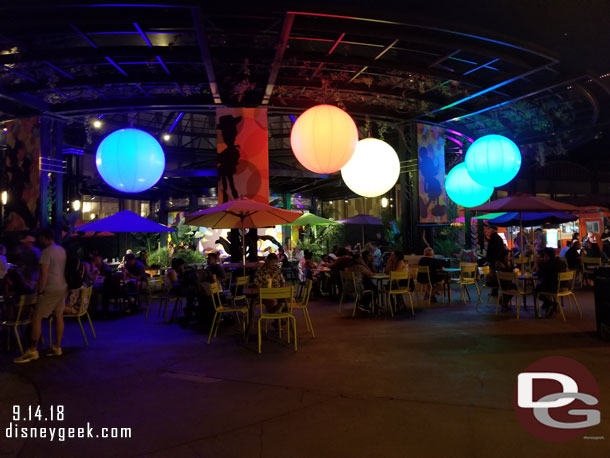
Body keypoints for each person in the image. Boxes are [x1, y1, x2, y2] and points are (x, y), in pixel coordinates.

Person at [15, 228, 67, 363]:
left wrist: (40, 291)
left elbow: (43, 274)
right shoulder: (61, 250)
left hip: (50, 288)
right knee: (58, 315)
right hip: (62, 286)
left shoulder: (46, 252)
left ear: (44, 238)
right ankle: (57, 346)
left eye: (40, 238)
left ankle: (32, 350)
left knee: (37, 317)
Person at [536, 248, 567, 317]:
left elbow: (539, 275)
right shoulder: (561, 262)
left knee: (535, 290)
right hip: (564, 285)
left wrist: (536, 263)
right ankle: (549, 305)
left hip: (554, 287)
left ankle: (551, 304)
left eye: (544, 256)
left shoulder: (548, 264)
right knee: (542, 286)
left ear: (546, 256)